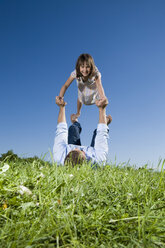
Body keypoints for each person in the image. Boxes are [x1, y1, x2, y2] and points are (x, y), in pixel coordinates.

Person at [53, 97, 112, 167]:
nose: (79, 148)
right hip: (93, 152)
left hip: (72, 155)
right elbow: (102, 134)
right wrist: (102, 109)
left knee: (73, 128)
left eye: (74, 150)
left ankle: (75, 122)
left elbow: (61, 130)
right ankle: (105, 121)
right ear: (84, 154)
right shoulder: (98, 161)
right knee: (97, 133)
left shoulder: (59, 157)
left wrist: (61, 107)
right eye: (80, 150)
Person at [56, 53, 108, 121]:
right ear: (79, 67)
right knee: (79, 99)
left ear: (91, 67)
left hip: (94, 94)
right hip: (82, 93)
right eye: (82, 67)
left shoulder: (95, 73)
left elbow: (99, 85)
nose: (85, 70)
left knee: (100, 104)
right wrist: (60, 97)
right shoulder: (76, 73)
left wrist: (103, 97)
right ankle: (78, 113)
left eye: (87, 67)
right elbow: (65, 85)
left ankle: (105, 117)